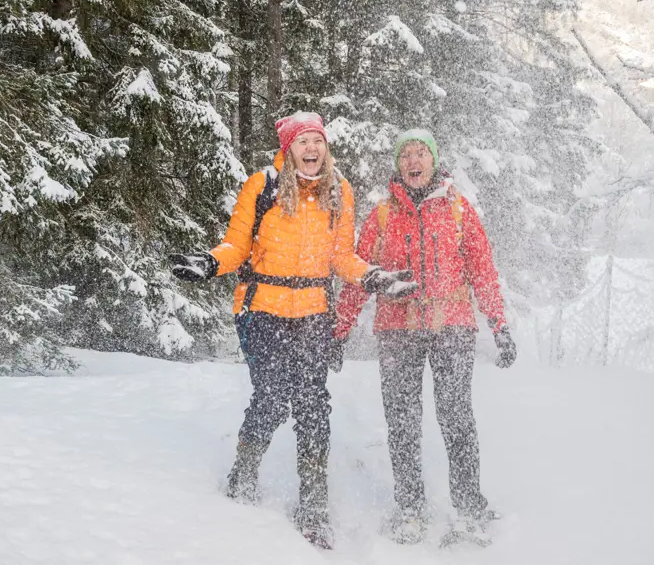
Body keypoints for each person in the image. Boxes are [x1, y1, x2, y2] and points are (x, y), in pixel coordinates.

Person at [169, 112, 416, 549]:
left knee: (313, 403)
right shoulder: (262, 186)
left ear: (325, 147)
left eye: (317, 141)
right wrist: (211, 262)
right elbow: (236, 244)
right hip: (262, 308)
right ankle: (244, 473)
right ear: (288, 148)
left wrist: (373, 277)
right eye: (302, 141)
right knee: (272, 395)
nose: (311, 149)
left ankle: (314, 502)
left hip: (313, 312)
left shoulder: (338, 190)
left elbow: (341, 257)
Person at [331, 128, 517, 544]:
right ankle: (409, 508)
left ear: (434, 160)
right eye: (406, 155)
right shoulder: (381, 215)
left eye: (421, 153)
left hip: (452, 325)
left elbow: (483, 271)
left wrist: (499, 325)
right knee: (402, 422)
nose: (414, 161)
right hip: (397, 330)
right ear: (398, 164)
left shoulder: (458, 210)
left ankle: (470, 507)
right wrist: (339, 331)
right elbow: (359, 276)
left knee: (456, 418)